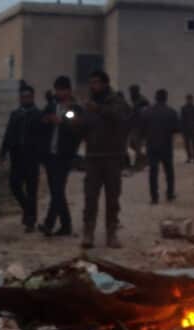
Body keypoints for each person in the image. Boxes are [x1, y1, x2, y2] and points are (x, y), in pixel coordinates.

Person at [75, 71, 131, 248]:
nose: (93, 86)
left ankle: (111, 233)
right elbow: (83, 128)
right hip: (93, 157)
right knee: (90, 197)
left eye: (96, 83)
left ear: (105, 84)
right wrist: (75, 122)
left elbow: (121, 118)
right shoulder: (89, 105)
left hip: (112, 158)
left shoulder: (117, 102)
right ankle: (88, 233)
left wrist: (98, 109)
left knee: (112, 198)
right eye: (91, 83)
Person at [39, 76, 82, 237]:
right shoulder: (51, 106)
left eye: (62, 89)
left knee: (57, 190)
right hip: (50, 154)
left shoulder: (74, 108)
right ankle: (66, 225)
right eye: (57, 89)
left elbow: (77, 129)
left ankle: (49, 224)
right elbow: (41, 121)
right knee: (56, 191)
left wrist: (61, 122)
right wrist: (45, 120)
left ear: (69, 90)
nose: (59, 92)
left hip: (64, 155)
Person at [0, 84, 46, 232]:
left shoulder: (38, 115)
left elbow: (42, 137)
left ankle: (30, 221)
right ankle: (27, 209)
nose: (25, 99)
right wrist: (3, 152)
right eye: (22, 97)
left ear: (32, 97)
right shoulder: (15, 114)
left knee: (32, 189)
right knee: (14, 185)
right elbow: (8, 134)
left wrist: (41, 156)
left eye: (27, 97)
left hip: (32, 158)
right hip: (17, 156)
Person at [140, 89, 181, 204]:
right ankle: (170, 194)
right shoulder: (172, 112)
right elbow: (177, 129)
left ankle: (154, 197)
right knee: (169, 171)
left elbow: (142, 128)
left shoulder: (147, 111)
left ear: (155, 97)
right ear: (166, 98)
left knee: (153, 172)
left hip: (152, 145)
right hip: (166, 145)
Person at [127, 84, 150, 169]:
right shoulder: (134, 100)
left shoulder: (142, 101)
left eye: (132, 91)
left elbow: (145, 113)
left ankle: (139, 163)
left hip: (140, 127)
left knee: (137, 145)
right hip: (134, 126)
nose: (131, 93)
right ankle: (144, 159)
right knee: (132, 145)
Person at [180, 94, 194, 165]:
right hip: (186, 129)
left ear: (192, 100)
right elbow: (182, 120)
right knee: (187, 144)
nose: (189, 100)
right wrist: (182, 130)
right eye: (188, 99)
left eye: (190, 99)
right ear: (187, 100)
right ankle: (189, 157)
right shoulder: (183, 108)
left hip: (193, 129)